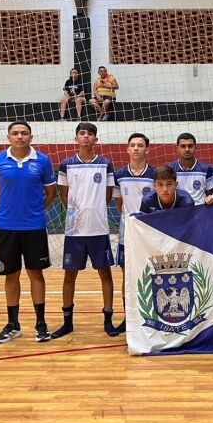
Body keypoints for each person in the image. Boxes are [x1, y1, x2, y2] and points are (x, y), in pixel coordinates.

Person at [0, 121, 57, 344]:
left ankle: (41, 324)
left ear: (31, 137)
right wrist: (11, 213)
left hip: (34, 227)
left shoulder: (43, 161)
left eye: (24, 133)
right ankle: (13, 324)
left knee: (36, 274)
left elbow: (50, 193)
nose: (20, 137)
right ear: (8, 137)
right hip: (6, 227)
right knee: (11, 275)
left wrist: (33, 212)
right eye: (15, 133)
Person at [51, 123, 117, 339]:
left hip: (99, 228)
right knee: (70, 275)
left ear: (95, 139)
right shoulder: (66, 164)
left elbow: (108, 196)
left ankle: (108, 319)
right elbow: (64, 194)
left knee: (105, 273)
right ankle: (67, 322)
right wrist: (75, 214)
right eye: (82, 133)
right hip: (74, 230)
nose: (86, 137)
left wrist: (94, 209)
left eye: (90, 134)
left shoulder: (106, 164)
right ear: (76, 138)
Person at [112, 132, 155, 333]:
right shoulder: (119, 174)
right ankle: (128, 317)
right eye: (133, 145)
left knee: (151, 274)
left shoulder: (155, 175)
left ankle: (151, 314)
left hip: (149, 235)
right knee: (127, 275)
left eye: (140, 145)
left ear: (147, 149)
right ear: (127, 149)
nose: (136, 148)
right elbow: (120, 203)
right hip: (126, 234)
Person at [169, 132, 213, 205]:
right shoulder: (170, 169)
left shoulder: (206, 169)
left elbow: (209, 195)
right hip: (178, 211)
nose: (187, 149)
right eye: (183, 146)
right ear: (177, 148)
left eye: (190, 146)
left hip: (199, 211)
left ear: (195, 147)